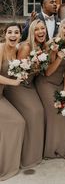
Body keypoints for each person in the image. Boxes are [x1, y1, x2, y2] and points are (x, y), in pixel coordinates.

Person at [4, 19, 45, 168]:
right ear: (31, 32)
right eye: (37, 29)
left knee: (40, 112)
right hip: (17, 86)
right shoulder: (26, 47)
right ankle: (27, 157)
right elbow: (18, 72)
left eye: (43, 29)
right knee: (34, 112)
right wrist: (34, 64)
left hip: (29, 86)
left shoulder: (41, 47)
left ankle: (34, 155)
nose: (41, 32)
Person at [35, 18, 65, 158]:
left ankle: (62, 148)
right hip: (46, 83)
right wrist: (59, 57)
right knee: (55, 112)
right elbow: (47, 72)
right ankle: (50, 150)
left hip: (59, 84)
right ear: (61, 29)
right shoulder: (53, 44)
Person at [0, 23, 25, 181]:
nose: (13, 35)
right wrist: (14, 83)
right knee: (17, 122)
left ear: (20, 36)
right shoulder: (0, 49)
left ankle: (8, 161)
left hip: (1, 95)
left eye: (16, 32)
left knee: (18, 122)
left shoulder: (18, 51)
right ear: (4, 34)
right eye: (10, 32)